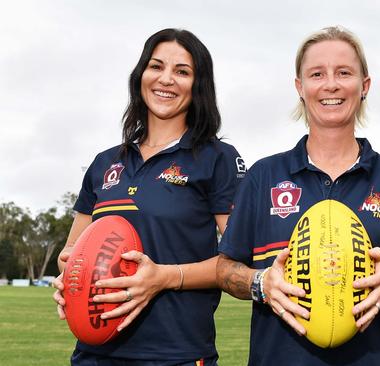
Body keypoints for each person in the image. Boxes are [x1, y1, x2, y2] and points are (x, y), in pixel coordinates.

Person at [214, 26, 380, 365]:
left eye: (344, 73)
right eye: (317, 74)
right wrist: (261, 283)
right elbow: (224, 267)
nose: (330, 84)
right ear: (300, 87)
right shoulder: (264, 176)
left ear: (364, 86)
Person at [52, 28, 245, 365]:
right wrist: (69, 276)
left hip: (176, 355)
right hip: (94, 353)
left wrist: (163, 278)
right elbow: (72, 251)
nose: (166, 79)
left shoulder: (217, 159)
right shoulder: (104, 163)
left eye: (182, 71)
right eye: (156, 66)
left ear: (198, 86)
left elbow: (239, 264)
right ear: (141, 74)